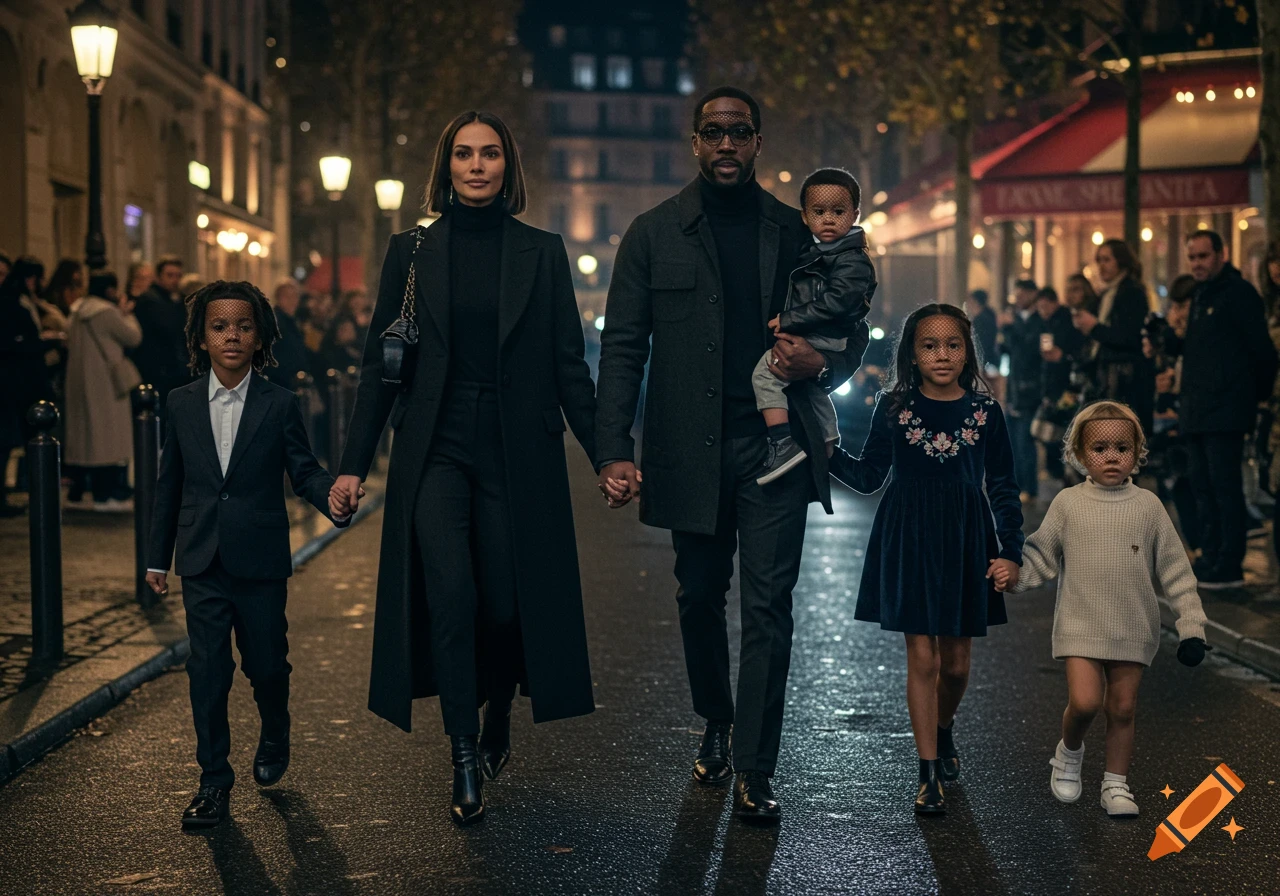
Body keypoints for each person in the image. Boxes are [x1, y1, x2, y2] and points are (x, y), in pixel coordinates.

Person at [596, 86, 870, 823]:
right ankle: (716, 717)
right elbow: (623, 346)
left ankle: (755, 764)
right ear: (694, 140)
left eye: (739, 132)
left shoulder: (795, 231)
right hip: (688, 448)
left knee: (769, 607)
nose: (725, 144)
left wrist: (827, 366)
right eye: (712, 132)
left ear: (757, 142)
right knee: (696, 596)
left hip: (773, 446)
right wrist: (612, 449)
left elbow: (852, 318)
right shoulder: (653, 234)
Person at [328, 110, 598, 826]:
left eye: (490, 155)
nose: (477, 166)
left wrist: (611, 454)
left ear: (508, 166)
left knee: (507, 604)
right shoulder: (411, 251)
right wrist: (352, 467)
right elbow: (382, 369)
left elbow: (570, 366)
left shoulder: (541, 252)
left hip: (515, 448)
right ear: (445, 168)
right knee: (450, 595)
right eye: (463, 155)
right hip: (436, 444)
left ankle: (499, 714)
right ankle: (463, 754)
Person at [144, 280, 349, 831]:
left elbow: (302, 468)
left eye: (243, 326)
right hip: (202, 558)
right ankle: (213, 781)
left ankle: (275, 729)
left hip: (259, 559)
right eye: (219, 326)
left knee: (265, 664)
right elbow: (171, 484)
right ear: (202, 338)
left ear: (259, 337)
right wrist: (156, 558)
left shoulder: (279, 402)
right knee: (207, 669)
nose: (232, 335)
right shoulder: (181, 402)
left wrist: (330, 495)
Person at [827, 304, 1022, 815]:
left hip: (965, 538)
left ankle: (943, 727)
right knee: (923, 656)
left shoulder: (986, 412)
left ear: (967, 351)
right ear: (912, 353)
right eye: (929, 345)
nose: (942, 355)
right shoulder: (893, 407)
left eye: (953, 345)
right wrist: (823, 450)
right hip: (908, 534)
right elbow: (869, 476)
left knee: (955, 665)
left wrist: (1011, 552)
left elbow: (1003, 486)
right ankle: (928, 772)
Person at [993, 400, 1209, 818]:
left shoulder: (1149, 507)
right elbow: (1041, 555)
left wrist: (1192, 628)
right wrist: (1014, 575)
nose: (1111, 456)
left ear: (1137, 453)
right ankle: (1069, 753)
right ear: (1078, 454)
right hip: (1080, 623)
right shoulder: (1069, 504)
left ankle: (1115, 784)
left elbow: (1177, 573)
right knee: (1086, 702)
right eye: (1100, 448)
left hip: (1134, 626)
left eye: (1122, 448)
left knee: (1123, 709)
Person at [753, 166, 875, 484]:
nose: (829, 219)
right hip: (821, 332)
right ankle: (828, 441)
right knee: (807, 387)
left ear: (855, 214)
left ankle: (781, 442)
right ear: (806, 217)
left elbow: (836, 302)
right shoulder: (820, 253)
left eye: (838, 211)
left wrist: (791, 319)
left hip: (826, 335)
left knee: (765, 375)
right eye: (820, 212)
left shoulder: (852, 259)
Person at [1176, 230, 1278, 588]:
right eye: (1192, 257)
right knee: (1203, 485)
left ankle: (1228, 563)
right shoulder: (1202, 294)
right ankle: (1212, 554)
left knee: (1224, 487)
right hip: (1198, 409)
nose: (1197, 264)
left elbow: (1262, 352)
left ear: (1221, 254)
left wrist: (1253, 397)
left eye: (1203, 256)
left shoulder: (1238, 294)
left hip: (1225, 410)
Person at [64, 271, 142, 510]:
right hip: (105, 382)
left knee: (85, 438)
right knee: (108, 437)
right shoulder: (106, 313)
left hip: (78, 380)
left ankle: (81, 489)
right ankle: (105, 493)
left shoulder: (77, 310)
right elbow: (133, 337)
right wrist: (126, 314)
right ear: (110, 289)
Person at [1070, 239, 1152, 434]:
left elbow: (1127, 336)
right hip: (1104, 380)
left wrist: (1094, 327)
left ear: (1121, 261)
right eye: (1099, 260)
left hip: (1124, 382)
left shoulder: (1131, 292)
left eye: (1107, 259)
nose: (1102, 266)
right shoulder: (1104, 294)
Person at [0, 257, 53, 516]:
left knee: (11, 441)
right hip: (12, 381)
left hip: (19, 380)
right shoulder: (11, 303)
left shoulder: (22, 301)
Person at [998, 278, 1044, 500]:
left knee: (1026, 440)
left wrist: (1009, 328)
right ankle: (1016, 484)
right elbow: (1005, 350)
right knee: (1013, 441)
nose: (1018, 298)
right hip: (1013, 387)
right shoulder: (1015, 319)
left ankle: (1029, 487)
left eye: (1023, 294)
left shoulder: (1038, 321)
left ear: (1033, 294)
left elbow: (1028, 352)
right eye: (1016, 294)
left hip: (1030, 389)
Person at [1032, 286, 1082, 483]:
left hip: (1067, 388)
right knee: (1047, 431)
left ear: (1054, 303)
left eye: (1045, 306)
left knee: (1060, 431)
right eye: (1040, 308)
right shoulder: (1046, 324)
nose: (1042, 311)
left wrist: (1062, 357)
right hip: (1053, 387)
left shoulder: (1066, 321)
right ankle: (1062, 473)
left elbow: (1074, 351)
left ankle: (1065, 474)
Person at [133, 255, 190, 418]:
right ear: (159, 277)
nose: (175, 280)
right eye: (170, 275)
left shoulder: (180, 300)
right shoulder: (149, 300)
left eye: (178, 275)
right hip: (158, 370)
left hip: (175, 370)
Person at [266, 278, 311, 390]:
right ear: (278, 298)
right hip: (281, 383)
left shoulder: (292, 321)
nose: (292, 301)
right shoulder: (275, 322)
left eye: (295, 296)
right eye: (287, 297)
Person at [965, 289, 998, 373]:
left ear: (975, 302)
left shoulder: (981, 320)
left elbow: (981, 343)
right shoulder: (988, 316)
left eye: (969, 301)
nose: (968, 304)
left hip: (984, 363)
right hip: (989, 361)